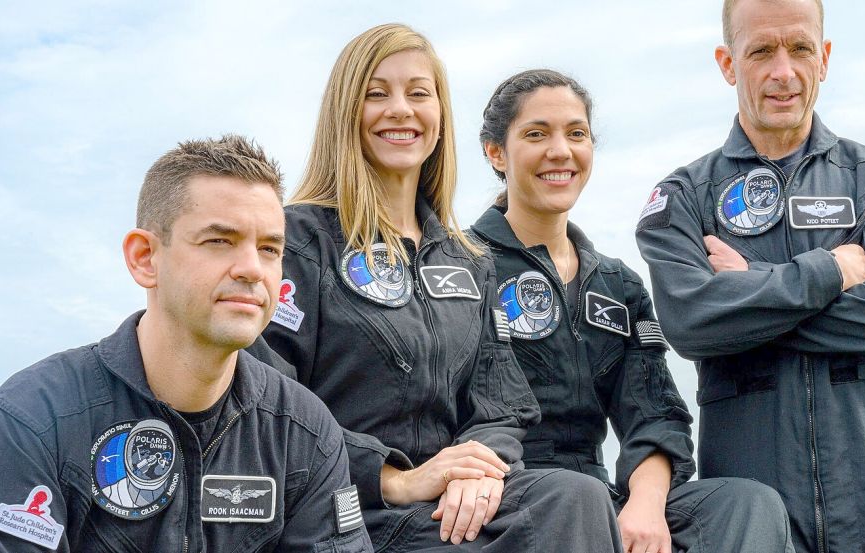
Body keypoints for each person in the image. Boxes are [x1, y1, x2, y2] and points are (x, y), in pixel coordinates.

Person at [252, 24, 623, 552]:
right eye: (376, 94)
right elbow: (265, 396)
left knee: (577, 497)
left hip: (446, 514)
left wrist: (475, 467)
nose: (401, 109)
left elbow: (501, 408)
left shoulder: (468, 260)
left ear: (440, 116)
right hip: (346, 510)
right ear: (344, 113)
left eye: (418, 94)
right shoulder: (297, 240)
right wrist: (394, 478)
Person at [634, 1, 865, 551]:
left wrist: (752, 282)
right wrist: (830, 270)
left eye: (800, 48)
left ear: (823, 58)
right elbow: (691, 322)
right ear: (728, 64)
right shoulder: (684, 198)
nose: (783, 71)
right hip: (753, 513)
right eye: (761, 51)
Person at [0, 135, 372, 552]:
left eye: (269, 248)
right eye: (219, 241)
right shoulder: (33, 421)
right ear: (144, 258)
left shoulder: (305, 433)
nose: (252, 269)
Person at [472, 68, 796, 553]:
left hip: (596, 493)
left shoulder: (617, 284)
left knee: (747, 504)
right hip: (498, 496)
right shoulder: (460, 264)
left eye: (576, 134)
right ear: (496, 152)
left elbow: (654, 415)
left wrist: (643, 506)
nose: (561, 151)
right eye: (536, 134)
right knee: (574, 498)